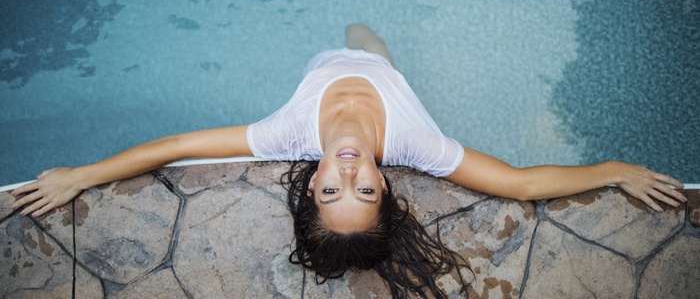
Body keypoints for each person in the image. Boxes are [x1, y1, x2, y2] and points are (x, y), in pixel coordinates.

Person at [10, 23, 687, 298]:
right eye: (365, 190)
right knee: (369, 35)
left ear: (312, 188)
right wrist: (613, 169)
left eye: (332, 191)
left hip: (321, 73)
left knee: (344, 34)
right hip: (382, 72)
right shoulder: (417, 146)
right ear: (387, 185)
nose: (348, 172)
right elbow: (520, 183)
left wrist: (82, 175)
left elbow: (180, 146)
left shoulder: (287, 135)